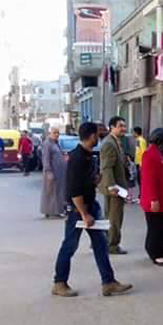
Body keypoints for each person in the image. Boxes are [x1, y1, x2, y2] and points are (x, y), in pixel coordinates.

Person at [51, 122, 133, 298]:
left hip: (90, 205)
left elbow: (86, 182)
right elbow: (74, 190)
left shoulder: (89, 156)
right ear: (91, 136)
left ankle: (108, 282)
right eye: (97, 133)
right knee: (69, 246)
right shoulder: (77, 158)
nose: (100, 136)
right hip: (78, 210)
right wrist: (84, 213)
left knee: (101, 244)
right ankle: (59, 282)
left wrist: (96, 181)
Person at [141, 128, 163, 266]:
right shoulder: (150, 154)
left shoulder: (161, 153)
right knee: (156, 227)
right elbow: (149, 179)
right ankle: (156, 253)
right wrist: (153, 199)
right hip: (156, 198)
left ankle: (159, 250)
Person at [99, 116, 129, 255]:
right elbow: (107, 167)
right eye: (120, 126)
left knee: (110, 216)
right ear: (112, 127)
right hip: (115, 188)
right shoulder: (109, 143)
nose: (123, 129)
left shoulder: (115, 141)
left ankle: (103, 241)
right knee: (115, 218)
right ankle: (112, 245)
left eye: (124, 126)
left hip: (117, 186)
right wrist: (112, 186)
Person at [41, 127, 67, 218]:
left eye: (58, 133)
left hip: (59, 172)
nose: (57, 134)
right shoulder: (47, 144)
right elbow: (46, 158)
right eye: (54, 133)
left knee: (58, 191)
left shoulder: (55, 143)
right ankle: (53, 211)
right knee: (52, 192)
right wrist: (48, 171)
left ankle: (56, 210)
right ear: (50, 133)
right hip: (52, 172)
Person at [134, 126, 147, 198]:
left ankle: (142, 194)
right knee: (139, 180)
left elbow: (143, 152)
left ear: (136, 133)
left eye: (134, 132)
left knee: (141, 180)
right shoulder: (138, 140)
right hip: (138, 162)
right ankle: (140, 194)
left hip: (140, 163)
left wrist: (141, 164)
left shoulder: (141, 141)